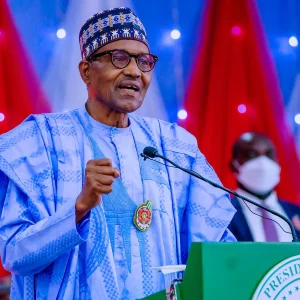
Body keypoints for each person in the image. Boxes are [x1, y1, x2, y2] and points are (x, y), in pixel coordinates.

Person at [0, 7, 236, 300]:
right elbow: (14, 254)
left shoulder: (173, 145)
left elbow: (216, 247)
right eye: (119, 58)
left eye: (144, 61)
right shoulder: (41, 142)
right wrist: (79, 209)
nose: (135, 71)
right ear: (86, 71)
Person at [228, 132, 300, 242]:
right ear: (234, 166)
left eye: (269, 155)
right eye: (251, 155)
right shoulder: (223, 215)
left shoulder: (296, 212)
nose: (263, 163)